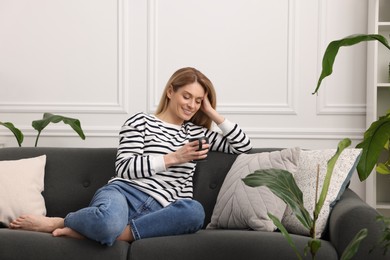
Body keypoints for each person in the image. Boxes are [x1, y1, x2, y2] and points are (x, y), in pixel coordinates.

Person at [9, 67, 252, 246]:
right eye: (186, 96)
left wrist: (211, 111)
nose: (191, 105)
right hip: (124, 194)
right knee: (107, 223)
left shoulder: (198, 133)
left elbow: (243, 146)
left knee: (195, 212)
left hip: (162, 211)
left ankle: (96, 231)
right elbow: (125, 167)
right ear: (170, 91)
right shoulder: (140, 121)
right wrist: (173, 158)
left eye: (198, 101)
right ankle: (62, 222)